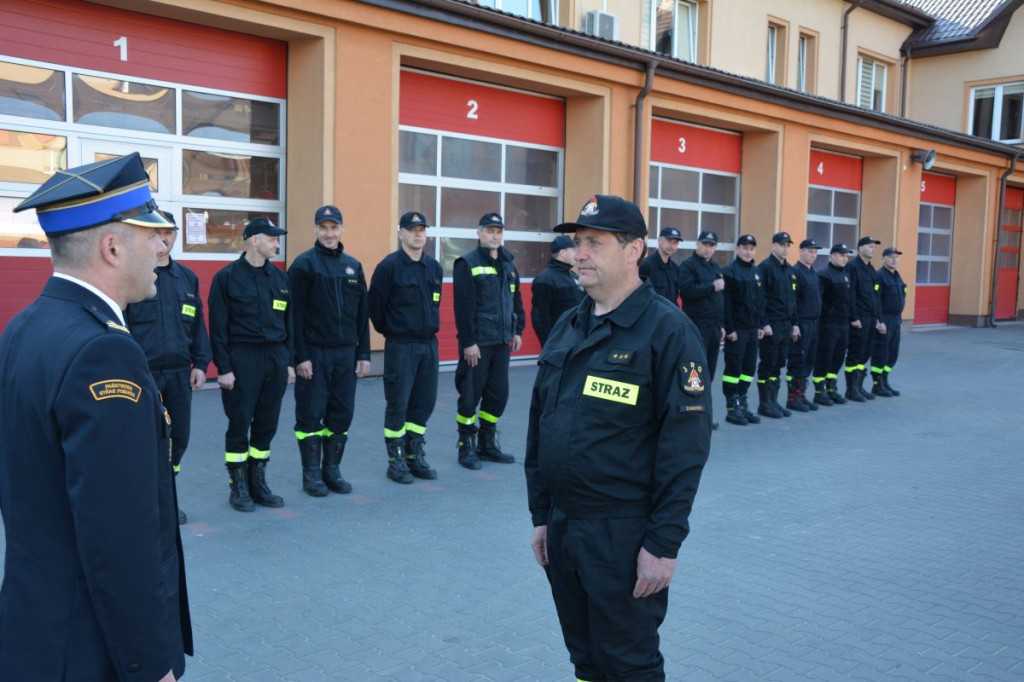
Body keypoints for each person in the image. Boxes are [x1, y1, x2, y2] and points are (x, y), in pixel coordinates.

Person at [1, 152, 192, 681]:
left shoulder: (24, 327)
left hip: (34, 627)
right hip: (89, 647)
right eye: (150, 235)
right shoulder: (103, 353)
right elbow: (119, 536)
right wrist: (150, 664)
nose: (162, 249)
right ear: (111, 247)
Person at [525, 194, 712, 681]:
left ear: (634, 251)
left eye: (594, 243)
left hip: (623, 536)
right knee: (585, 658)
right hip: (565, 529)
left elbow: (685, 450)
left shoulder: (668, 332)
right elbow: (540, 426)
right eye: (576, 242)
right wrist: (542, 516)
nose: (577, 252)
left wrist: (663, 545)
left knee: (628, 664)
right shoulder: (570, 324)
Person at [125, 210, 211, 525]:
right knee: (145, 440)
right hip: (143, 375)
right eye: (157, 234)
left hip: (178, 375)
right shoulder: (135, 275)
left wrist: (201, 363)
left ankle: (167, 499)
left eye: (169, 234)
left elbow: (197, 324)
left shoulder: (186, 278)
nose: (164, 241)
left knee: (179, 438)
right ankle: (144, 504)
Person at [208, 217, 294, 512]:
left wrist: (289, 362)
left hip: (275, 358)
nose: (277, 244)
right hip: (243, 359)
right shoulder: (227, 278)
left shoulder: (280, 278)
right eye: (272, 239)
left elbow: (289, 323)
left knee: (266, 425)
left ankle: (258, 482)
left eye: (278, 239)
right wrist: (224, 368)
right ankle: (238, 486)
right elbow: (217, 328)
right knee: (240, 422)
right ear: (254, 240)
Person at [287, 205, 370, 496]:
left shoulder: (353, 266)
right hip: (314, 354)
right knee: (311, 413)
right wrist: (299, 356)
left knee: (341, 412)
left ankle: (331, 471)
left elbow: (363, 314)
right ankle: (311, 475)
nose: (329, 233)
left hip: (346, 354)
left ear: (341, 229)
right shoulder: (303, 265)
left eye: (334, 227)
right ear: (315, 230)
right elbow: (293, 315)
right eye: (323, 227)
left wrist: (365, 354)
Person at [368, 211, 442, 483]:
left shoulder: (433, 267)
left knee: (424, 402)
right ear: (401, 234)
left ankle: (414, 454)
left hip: (428, 346)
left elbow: (435, 303)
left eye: (422, 229)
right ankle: (395, 460)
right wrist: (394, 332)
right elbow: (375, 308)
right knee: (398, 403)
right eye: (412, 230)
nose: (418, 234)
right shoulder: (389, 267)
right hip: (401, 345)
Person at [452, 212, 525, 469]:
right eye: (490, 231)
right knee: (470, 396)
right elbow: (463, 308)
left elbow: (516, 300)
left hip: (501, 342)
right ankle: (466, 447)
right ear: (479, 233)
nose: (495, 236)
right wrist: (468, 342)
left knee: (498, 395)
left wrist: (518, 330)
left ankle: (486, 444)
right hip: (478, 345)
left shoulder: (508, 263)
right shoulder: (467, 263)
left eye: (498, 232)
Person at [678, 230, 725, 429]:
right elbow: (687, 290)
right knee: (694, 372)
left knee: (709, 373)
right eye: (705, 244)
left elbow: (719, 300)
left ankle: (704, 413)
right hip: (697, 325)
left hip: (713, 327)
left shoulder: (714, 266)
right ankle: (691, 414)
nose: (708, 249)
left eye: (711, 245)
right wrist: (711, 287)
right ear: (697, 244)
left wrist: (722, 325)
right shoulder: (689, 266)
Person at [721, 234, 767, 426]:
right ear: (738, 248)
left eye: (752, 248)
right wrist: (729, 328)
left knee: (748, 369)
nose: (748, 252)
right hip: (737, 330)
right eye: (745, 248)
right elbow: (726, 303)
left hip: (752, 329)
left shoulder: (756, 272)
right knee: (734, 369)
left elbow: (760, 301)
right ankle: (732, 407)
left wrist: (761, 324)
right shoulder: (729, 271)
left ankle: (742, 402)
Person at [756, 231, 799, 419]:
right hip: (771, 326)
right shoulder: (765, 268)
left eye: (788, 245)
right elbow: (760, 299)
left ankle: (773, 401)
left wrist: (795, 324)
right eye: (782, 245)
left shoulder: (789, 270)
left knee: (779, 364)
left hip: (785, 325)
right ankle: (764, 404)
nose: (785, 248)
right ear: (773, 246)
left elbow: (793, 300)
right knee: (768, 364)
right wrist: (764, 323)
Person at [812, 243, 856, 406]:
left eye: (846, 256)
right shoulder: (823, 275)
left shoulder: (845, 275)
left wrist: (852, 318)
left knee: (838, 358)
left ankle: (831, 389)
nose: (844, 258)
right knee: (824, 357)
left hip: (843, 324)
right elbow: (819, 301)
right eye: (841, 255)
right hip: (828, 324)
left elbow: (849, 300)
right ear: (832, 256)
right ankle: (819, 391)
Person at [844, 235, 886, 402]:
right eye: (870, 246)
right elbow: (850, 294)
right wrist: (854, 317)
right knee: (855, 353)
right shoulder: (852, 267)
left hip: (870, 318)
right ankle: (851, 389)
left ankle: (859, 386)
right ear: (860, 248)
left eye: (874, 247)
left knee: (865, 353)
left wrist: (878, 319)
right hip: (859, 319)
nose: (873, 249)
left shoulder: (871, 269)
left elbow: (875, 296)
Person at [785, 239, 823, 412]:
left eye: (815, 252)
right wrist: (795, 324)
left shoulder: (813, 273)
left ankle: (801, 395)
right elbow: (792, 302)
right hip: (801, 325)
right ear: (800, 252)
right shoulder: (796, 272)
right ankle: (793, 398)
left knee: (809, 361)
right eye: (809, 251)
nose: (812, 255)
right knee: (797, 361)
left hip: (814, 324)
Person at [530, 234, 584, 347]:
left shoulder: (572, 276)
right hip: (559, 343)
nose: (577, 254)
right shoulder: (545, 279)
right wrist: (548, 345)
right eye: (573, 250)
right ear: (562, 253)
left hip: (576, 339)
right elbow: (539, 317)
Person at [870, 247, 906, 397]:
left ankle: (885, 381)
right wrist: (879, 320)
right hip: (884, 320)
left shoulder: (897, 276)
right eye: (891, 257)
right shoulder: (880, 276)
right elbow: (875, 300)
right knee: (881, 353)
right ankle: (877, 385)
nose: (894, 259)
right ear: (883, 259)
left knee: (892, 354)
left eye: (896, 257)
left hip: (896, 320)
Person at [638, 226, 682, 305]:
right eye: (669, 241)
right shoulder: (646, 265)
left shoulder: (675, 268)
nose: (672, 246)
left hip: (670, 314)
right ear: (659, 240)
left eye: (675, 243)